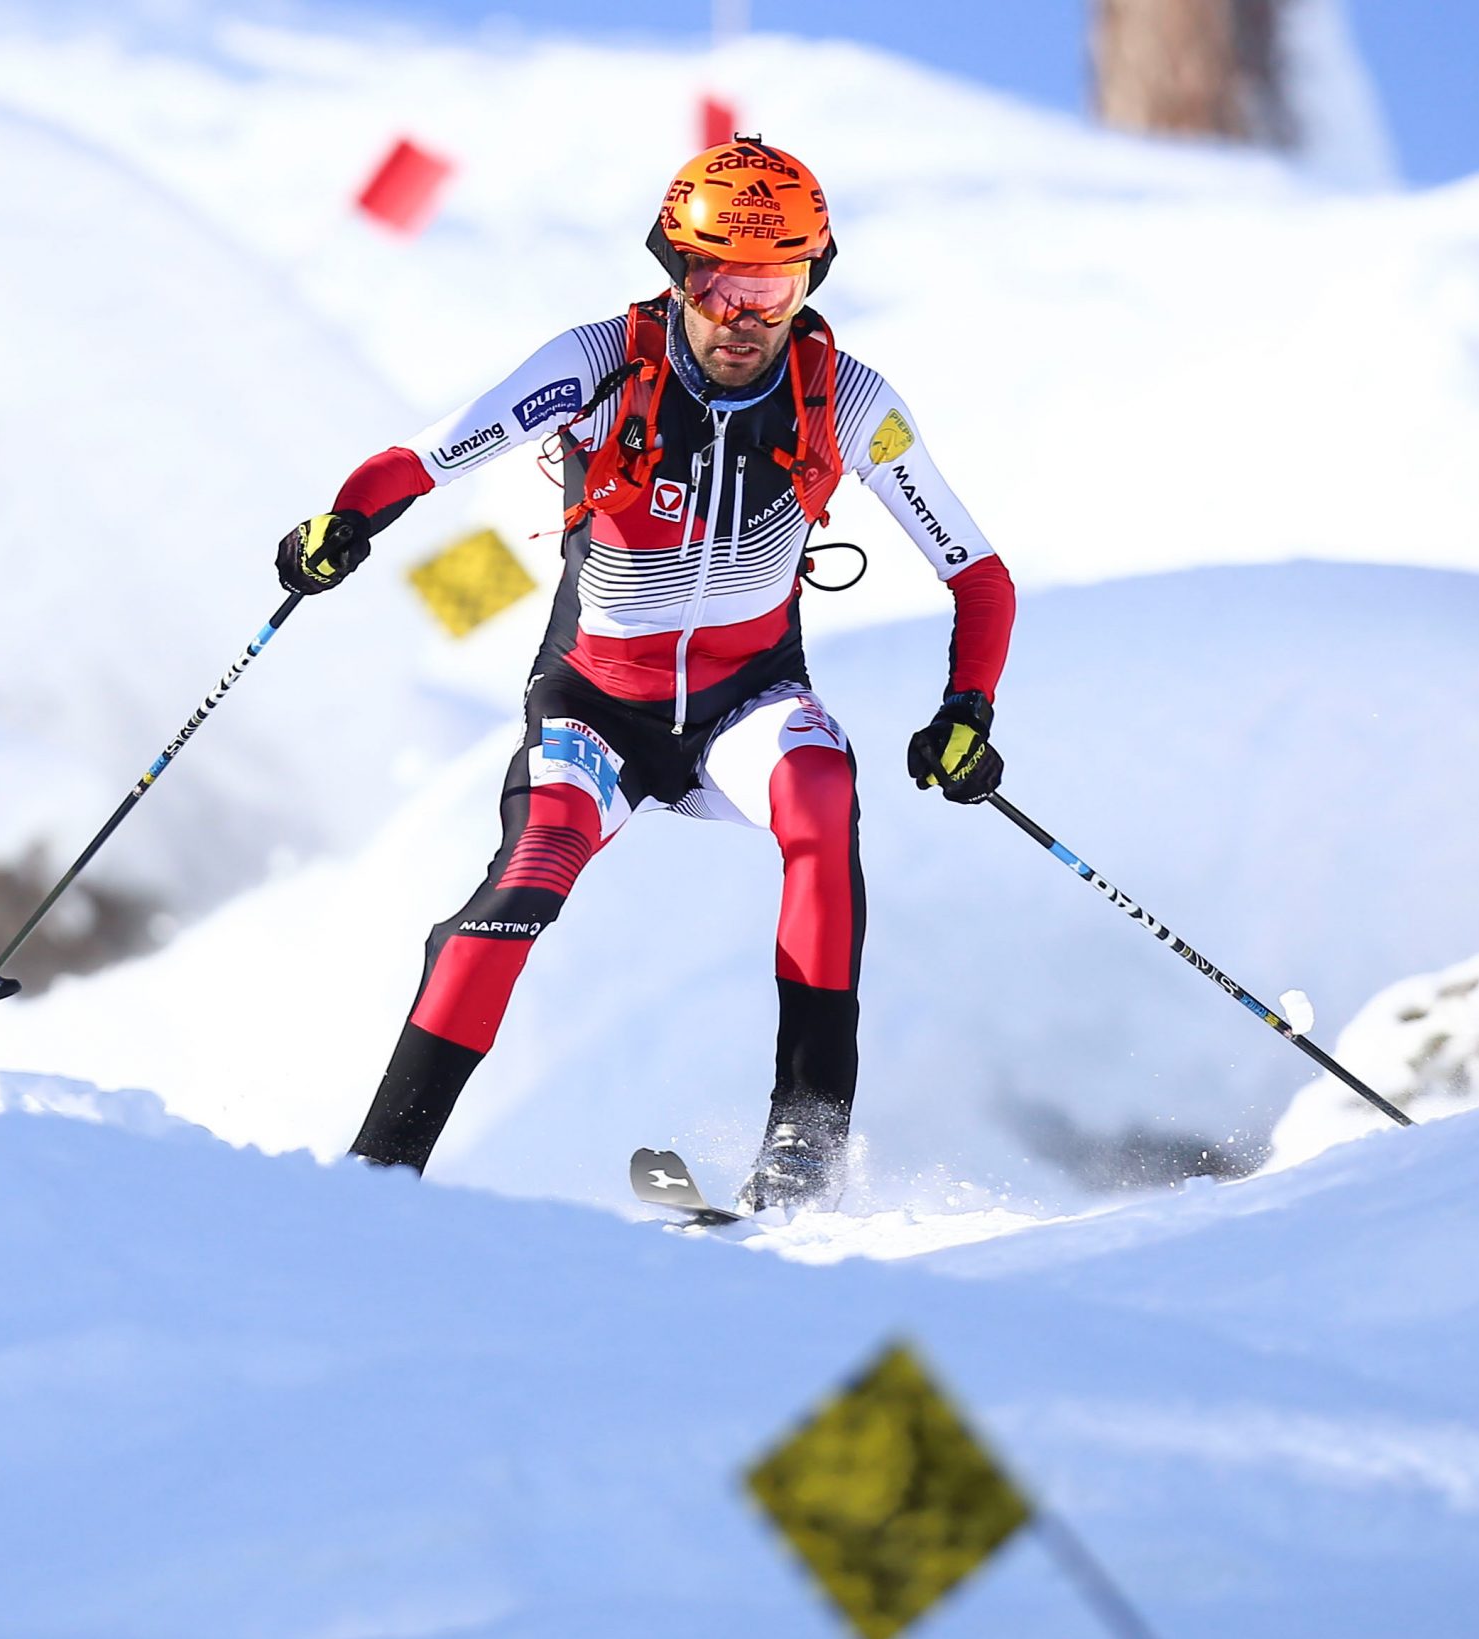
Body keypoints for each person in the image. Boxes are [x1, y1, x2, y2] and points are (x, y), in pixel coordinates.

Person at [276, 138, 1016, 1212]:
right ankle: (377, 1172)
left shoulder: (846, 397)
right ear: (677, 270)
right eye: (719, 282)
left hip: (746, 700)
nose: (744, 313)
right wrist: (345, 520)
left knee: (820, 793)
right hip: (594, 707)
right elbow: (426, 457)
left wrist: (968, 708)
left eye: (775, 283)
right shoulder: (596, 364)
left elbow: (979, 573)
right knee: (526, 881)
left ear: (809, 281)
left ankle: (803, 1154)